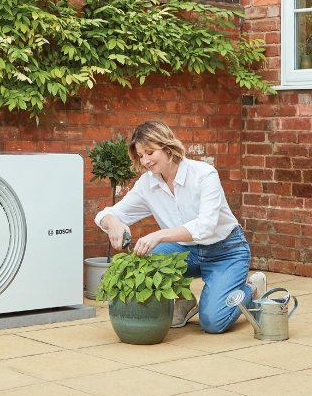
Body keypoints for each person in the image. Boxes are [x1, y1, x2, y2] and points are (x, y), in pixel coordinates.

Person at [95, 120, 266, 333]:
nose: (145, 160)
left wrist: (159, 235)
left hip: (225, 251)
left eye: (150, 152)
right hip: (187, 251)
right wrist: (113, 222)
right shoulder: (147, 184)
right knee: (146, 255)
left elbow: (206, 226)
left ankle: (252, 289)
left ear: (167, 148)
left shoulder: (204, 174)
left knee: (213, 322)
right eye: (140, 155)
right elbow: (106, 214)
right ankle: (184, 299)